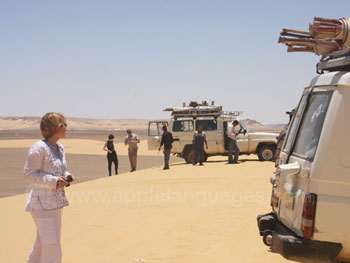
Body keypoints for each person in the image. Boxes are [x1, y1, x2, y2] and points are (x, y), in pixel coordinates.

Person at [24, 112, 75, 263]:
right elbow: (29, 174)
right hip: (41, 206)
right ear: (56, 127)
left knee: (41, 245)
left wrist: (66, 176)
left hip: (55, 204)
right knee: (52, 248)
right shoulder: (39, 148)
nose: (66, 127)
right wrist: (54, 181)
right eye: (64, 125)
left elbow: (59, 170)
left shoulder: (60, 147)